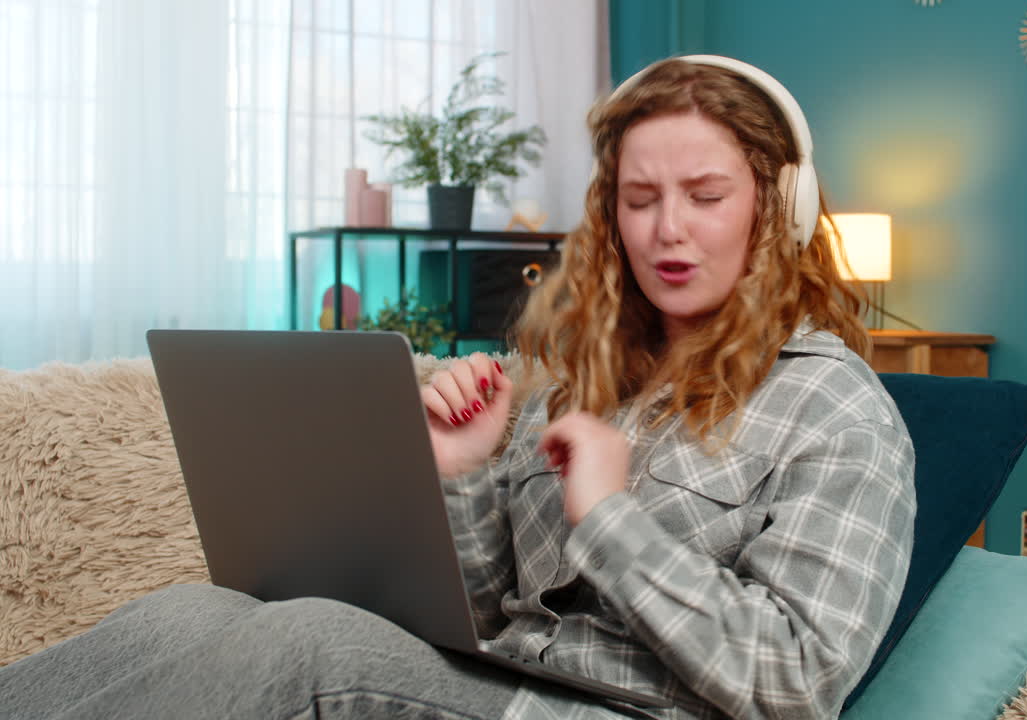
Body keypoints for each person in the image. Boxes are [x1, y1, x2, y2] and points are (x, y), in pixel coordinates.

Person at [0, 55, 915, 720]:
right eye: (640, 199)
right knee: (205, 608)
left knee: (308, 644)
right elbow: (481, 620)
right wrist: (469, 471)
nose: (667, 230)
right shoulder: (577, 380)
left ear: (778, 204)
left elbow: (796, 685)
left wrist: (611, 518)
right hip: (500, 694)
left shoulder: (837, 412)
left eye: (705, 196)